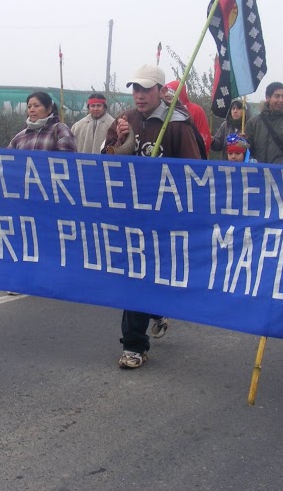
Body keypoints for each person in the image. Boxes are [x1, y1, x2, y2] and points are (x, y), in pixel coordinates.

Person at [102, 63, 202, 369]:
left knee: (139, 275)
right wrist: (120, 143)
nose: (140, 95)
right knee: (134, 273)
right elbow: (105, 160)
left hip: (162, 218)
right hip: (129, 213)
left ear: (160, 91)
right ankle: (155, 310)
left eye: (146, 89)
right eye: (135, 88)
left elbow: (193, 171)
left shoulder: (178, 124)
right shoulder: (125, 119)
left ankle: (134, 345)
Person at [246, 82, 283, 164]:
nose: (281, 100)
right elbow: (247, 150)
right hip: (258, 172)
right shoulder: (254, 122)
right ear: (268, 97)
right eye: (277, 96)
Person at [8, 91, 76, 152]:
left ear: (49, 109)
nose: (31, 110)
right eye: (29, 107)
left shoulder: (60, 130)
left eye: (36, 106)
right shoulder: (20, 136)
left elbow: (67, 160)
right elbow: (7, 159)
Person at [165, 80, 211, 156]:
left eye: (169, 98)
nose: (166, 102)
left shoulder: (196, 110)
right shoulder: (163, 112)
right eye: (163, 99)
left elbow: (204, 137)